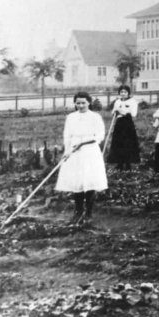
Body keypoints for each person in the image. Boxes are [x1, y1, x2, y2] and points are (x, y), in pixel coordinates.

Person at [56, 92, 108, 224]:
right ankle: (78, 212)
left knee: (89, 181)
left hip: (90, 151)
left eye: (83, 103)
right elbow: (67, 135)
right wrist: (67, 150)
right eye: (77, 103)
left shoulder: (95, 117)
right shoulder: (71, 117)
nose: (80, 105)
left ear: (89, 102)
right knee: (77, 181)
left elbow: (100, 136)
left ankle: (88, 213)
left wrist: (83, 142)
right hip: (74, 152)